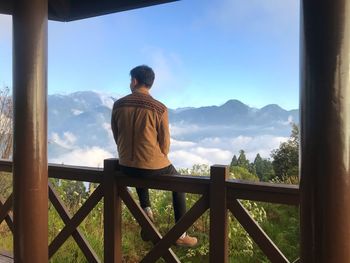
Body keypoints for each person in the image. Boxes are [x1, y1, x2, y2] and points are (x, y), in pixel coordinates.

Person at [111, 65, 198, 247]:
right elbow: (165, 143)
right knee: (179, 182)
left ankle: (147, 211)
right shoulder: (159, 108)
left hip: (125, 165)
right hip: (151, 166)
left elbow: (116, 134)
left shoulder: (118, 105)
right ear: (150, 83)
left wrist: (126, 154)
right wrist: (158, 157)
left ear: (134, 81)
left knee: (138, 171)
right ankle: (180, 234)